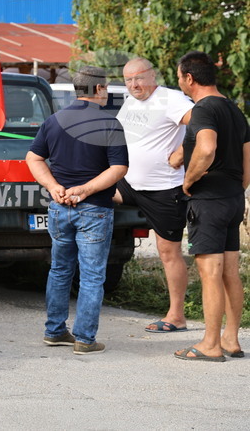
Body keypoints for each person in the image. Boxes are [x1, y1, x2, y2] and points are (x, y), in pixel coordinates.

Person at [26, 65, 128, 355]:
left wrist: (53, 186)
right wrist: (85, 190)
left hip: (60, 207)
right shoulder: (109, 123)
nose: (106, 92)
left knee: (59, 270)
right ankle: (84, 338)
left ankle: (55, 332)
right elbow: (119, 168)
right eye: (105, 87)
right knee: (92, 275)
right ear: (98, 89)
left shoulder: (55, 120)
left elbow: (33, 158)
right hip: (94, 209)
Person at [173, 51, 249, 362]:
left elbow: (206, 148)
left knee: (210, 272)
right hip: (233, 197)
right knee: (231, 271)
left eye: (179, 77)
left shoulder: (203, 108)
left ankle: (210, 344)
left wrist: (190, 180)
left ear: (189, 78)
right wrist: (237, 190)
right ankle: (231, 339)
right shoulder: (234, 109)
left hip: (209, 199)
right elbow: (248, 160)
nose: (179, 82)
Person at [114, 57, 192, 333]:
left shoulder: (171, 99)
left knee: (168, 251)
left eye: (139, 78)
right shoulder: (131, 100)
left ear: (152, 75)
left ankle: (177, 316)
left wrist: (182, 154)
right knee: (91, 195)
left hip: (163, 189)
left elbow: (201, 124)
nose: (134, 84)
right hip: (129, 183)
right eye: (128, 80)